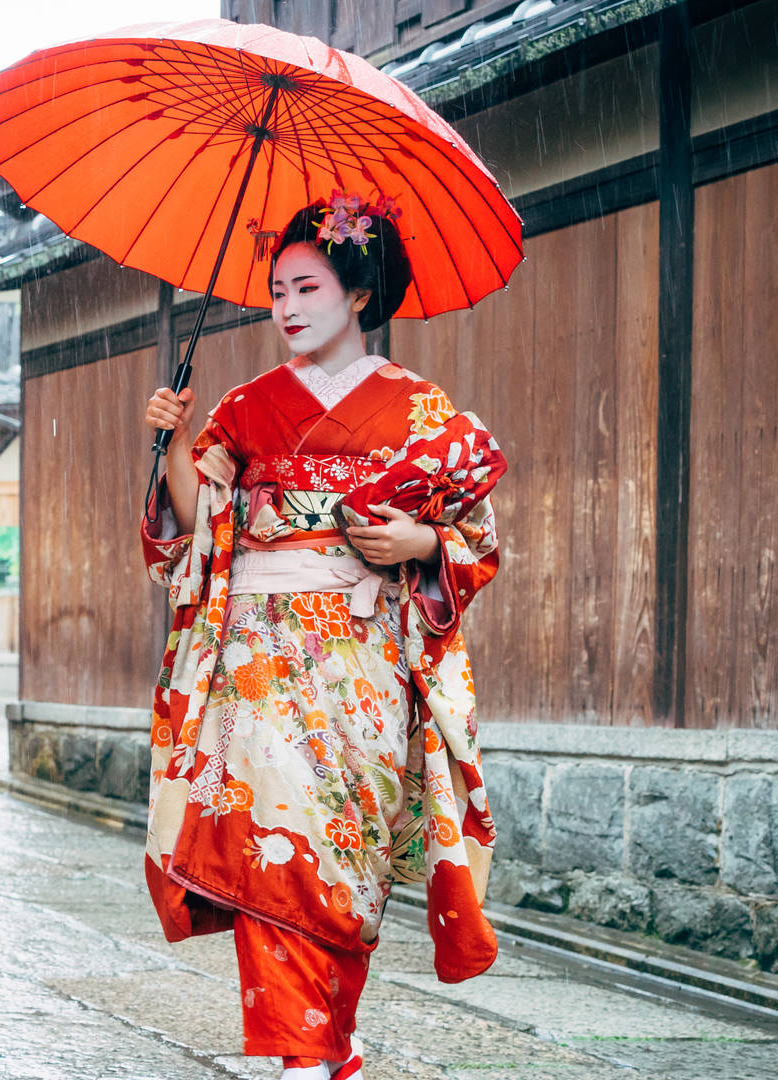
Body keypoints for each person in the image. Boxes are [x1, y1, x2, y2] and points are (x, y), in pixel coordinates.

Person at [140, 194, 506, 1080]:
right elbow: (198, 535)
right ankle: (299, 1055)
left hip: (363, 656)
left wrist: (419, 543)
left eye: (307, 286)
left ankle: (329, 1040)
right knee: (272, 840)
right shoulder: (245, 406)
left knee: (348, 850)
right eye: (277, 292)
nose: (288, 308)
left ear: (358, 292)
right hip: (259, 657)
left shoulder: (423, 411)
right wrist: (177, 441)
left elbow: (477, 539)